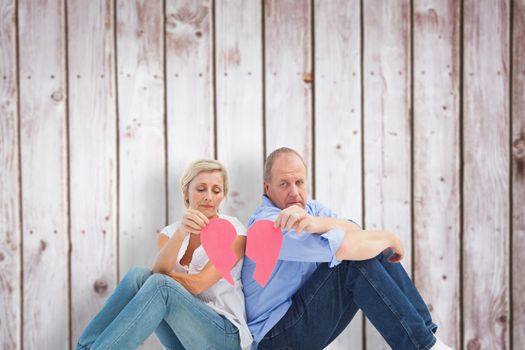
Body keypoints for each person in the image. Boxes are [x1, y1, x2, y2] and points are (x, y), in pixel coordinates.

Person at [241, 147, 453, 350]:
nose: (294, 192)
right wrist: (389, 237)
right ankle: (422, 346)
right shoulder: (268, 226)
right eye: (284, 184)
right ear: (268, 188)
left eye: (299, 182)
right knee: (354, 260)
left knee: (375, 249)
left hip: (297, 322)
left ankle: (428, 338)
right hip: (276, 340)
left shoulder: (311, 209)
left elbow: (356, 232)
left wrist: (318, 223)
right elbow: (347, 248)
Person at [76, 159, 252, 350]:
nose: (209, 196)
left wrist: (164, 279)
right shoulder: (170, 233)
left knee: (160, 285)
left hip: (225, 337)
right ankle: (84, 347)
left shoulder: (234, 231)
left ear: (223, 195)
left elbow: (198, 284)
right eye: (201, 189)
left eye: (216, 190)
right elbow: (157, 271)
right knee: (138, 276)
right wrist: (182, 232)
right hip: (183, 339)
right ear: (186, 191)